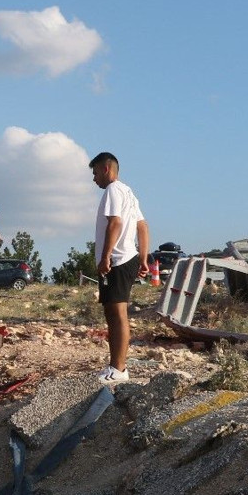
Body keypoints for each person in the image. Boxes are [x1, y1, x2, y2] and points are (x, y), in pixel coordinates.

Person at [89, 152, 149, 384]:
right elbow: (142, 226)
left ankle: (118, 369)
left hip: (117, 260)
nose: (94, 179)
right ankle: (117, 367)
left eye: (95, 173)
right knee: (115, 313)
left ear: (106, 169)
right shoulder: (128, 193)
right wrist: (143, 258)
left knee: (116, 315)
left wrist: (105, 257)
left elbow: (115, 223)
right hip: (129, 258)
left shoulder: (113, 190)